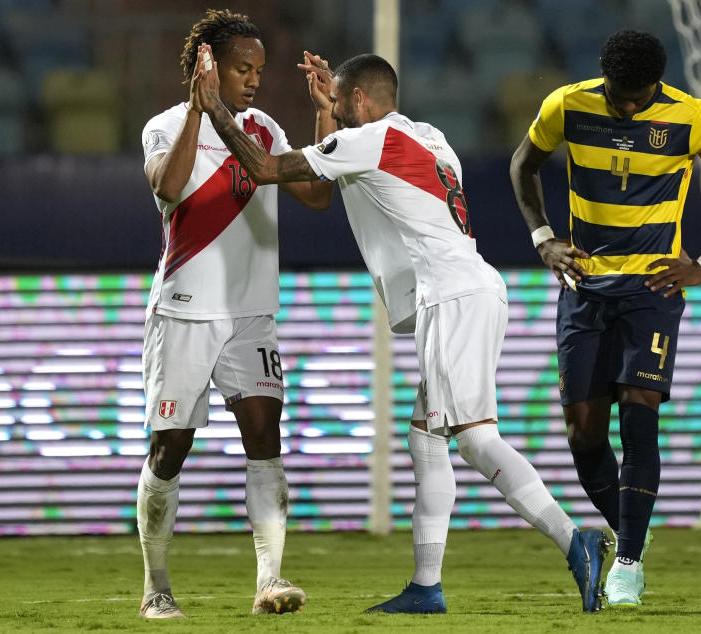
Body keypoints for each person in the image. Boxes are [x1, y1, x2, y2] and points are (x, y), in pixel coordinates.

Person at [192, 48, 610, 613]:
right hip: (468, 288)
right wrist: (326, 112)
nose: (335, 114)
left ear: (360, 99)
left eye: (339, 104)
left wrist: (215, 107)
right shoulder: (430, 137)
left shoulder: (370, 142)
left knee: (476, 438)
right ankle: (426, 587)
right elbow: (350, 176)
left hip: (454, 297)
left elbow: (268, 169)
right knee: (426, 438)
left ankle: (573, 541)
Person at [509, 30, 701, 607]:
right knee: (583, 435)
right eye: (619, 95)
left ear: (657, 82)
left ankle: (626, 562)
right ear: (605, 80)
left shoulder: (693, 118)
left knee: (639, 415)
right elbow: (523, 166)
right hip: (585, 286)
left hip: (652, 290)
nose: (628, 106)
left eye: (638, 96)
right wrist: (544, 238)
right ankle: (633, 529)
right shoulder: (567, 105)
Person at [137, 9, 331, 619]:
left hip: (252, 314)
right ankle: (156, 588)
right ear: (208, 65)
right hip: (186, 311)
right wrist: (199, 110)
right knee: (170, 449)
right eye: (242, 68)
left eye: (259, 70)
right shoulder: (165, 126)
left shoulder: (264, 129)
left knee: (265, 441)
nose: (254, 81)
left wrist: (325, 114)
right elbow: (168, 188)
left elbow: (318, 196)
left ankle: (268, 582)